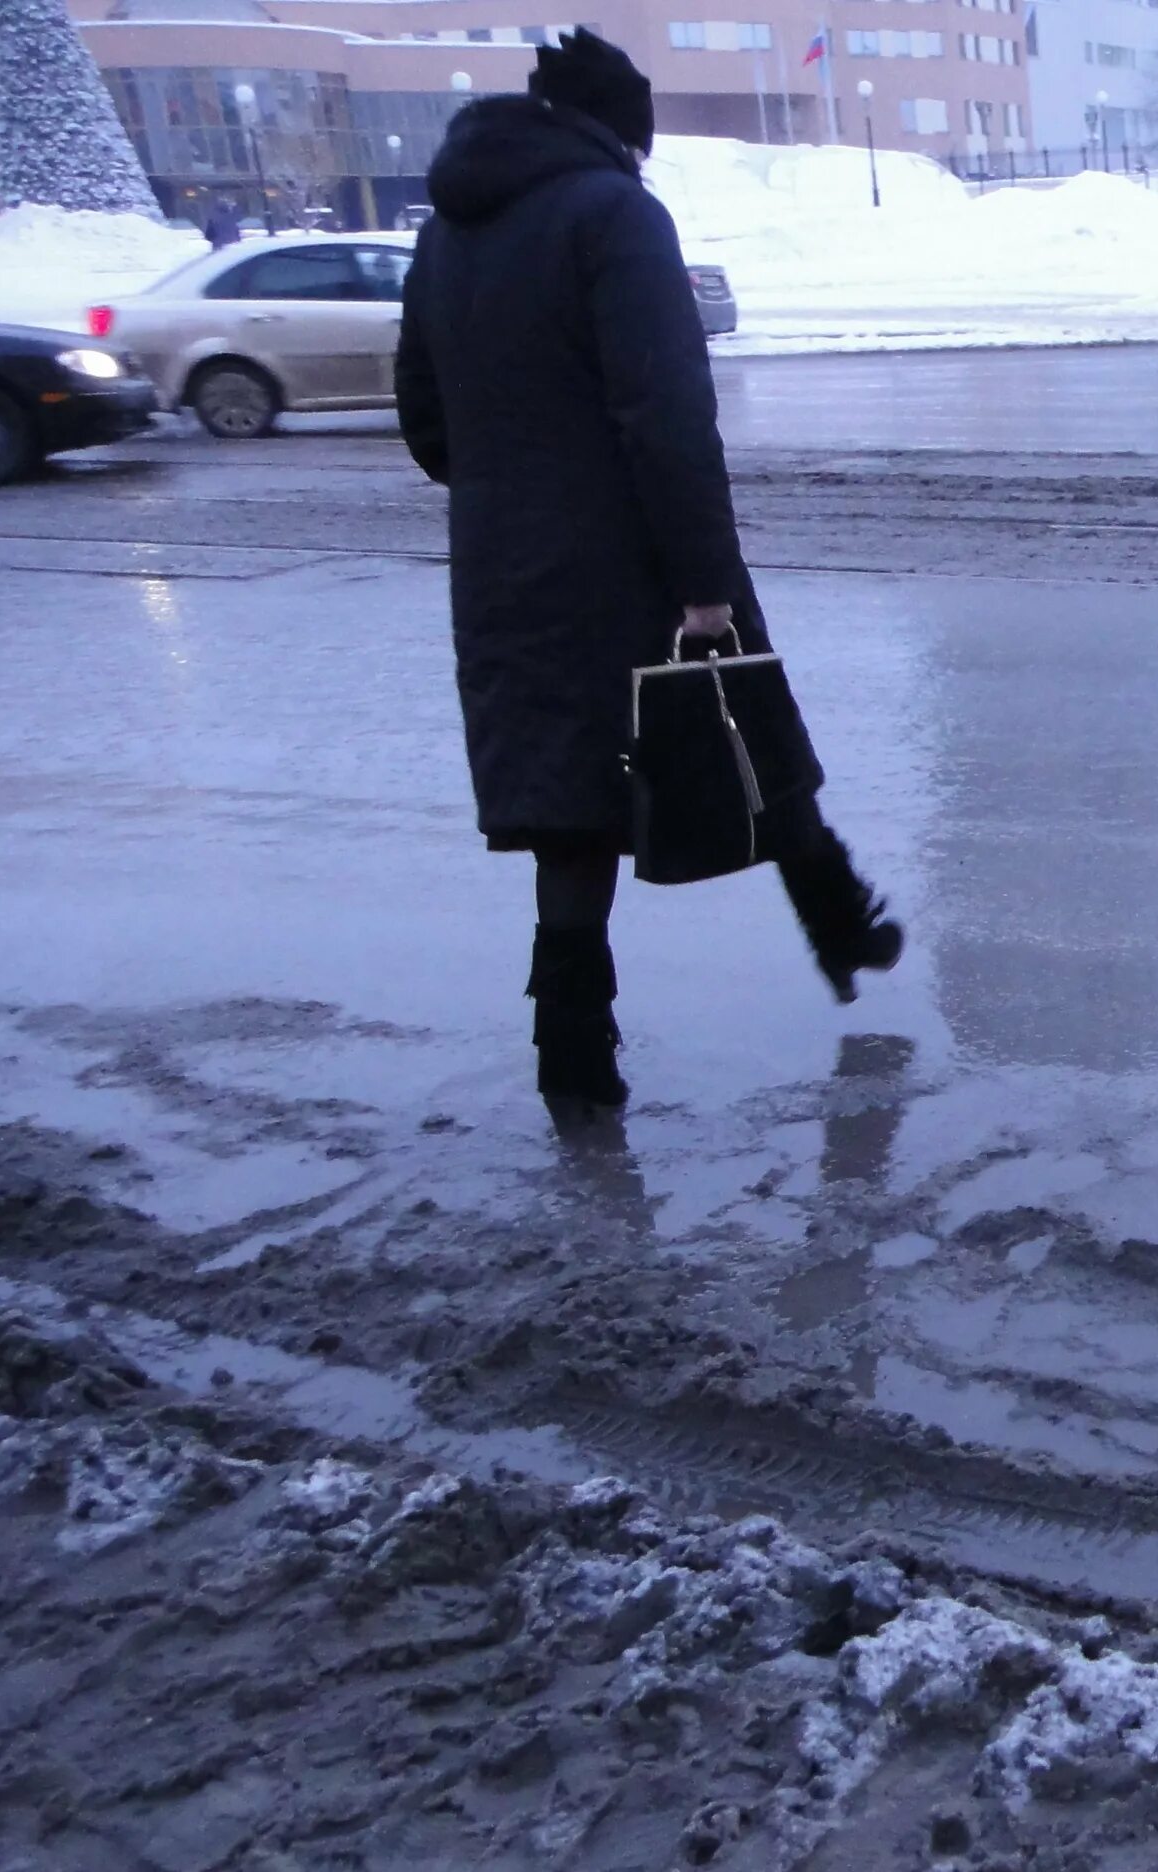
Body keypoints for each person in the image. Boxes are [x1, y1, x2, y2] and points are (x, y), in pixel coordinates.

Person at [394, 30, 899, 1120]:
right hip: (632, 558)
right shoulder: (616, 217)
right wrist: (705, 578)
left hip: (503, 574)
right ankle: (842, 925)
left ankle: (573, 1063)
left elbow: (426, 426)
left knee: (567, 812)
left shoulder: (447, 234)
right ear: (625, 128)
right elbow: (667, 416)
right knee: (746, 732)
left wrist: (511, 490)